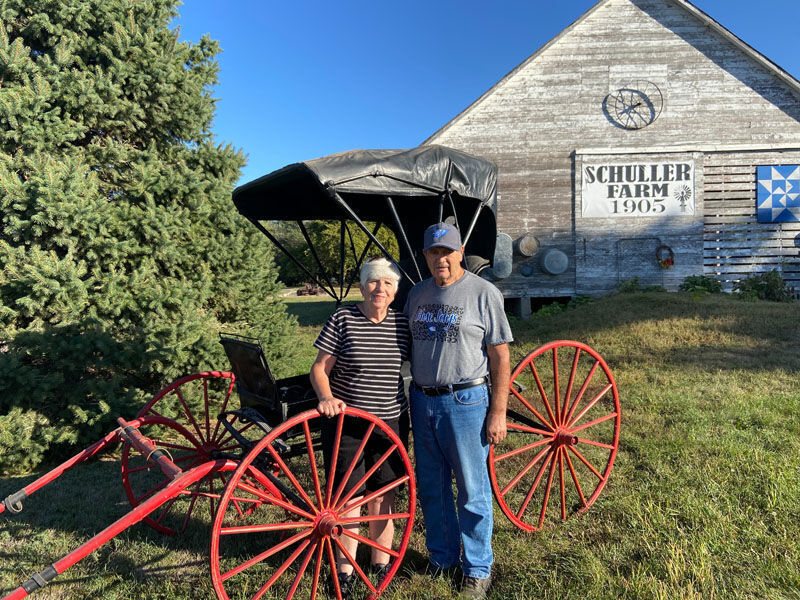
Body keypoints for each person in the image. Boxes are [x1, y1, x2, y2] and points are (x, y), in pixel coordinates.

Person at [404, 222, 512, 600]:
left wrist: (498, 411)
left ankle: (478, 567)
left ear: (460, 252)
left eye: (447, 251)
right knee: (432, 486)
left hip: (465, 401)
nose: (441, 260)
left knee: (471, 488)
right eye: (433, 253)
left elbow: (500, 355)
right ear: (425, 257)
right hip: (422, 399)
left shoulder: (483, 293)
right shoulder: (417, 294)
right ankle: (443, 556)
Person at [309, 257, 411, 597]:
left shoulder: (402, 324)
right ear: (362, 286)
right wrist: (326, 397)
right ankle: (345, 570)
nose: (379, 288)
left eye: (387, 283)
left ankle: (381, 565)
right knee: (347, 498)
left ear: (395, 290)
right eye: (372, 281)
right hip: (348, 423)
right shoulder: (343, 318)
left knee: (384, 494)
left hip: (389, 422)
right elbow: (320, 368)